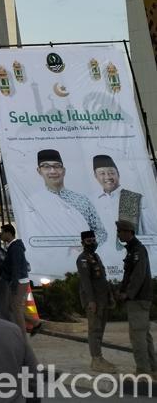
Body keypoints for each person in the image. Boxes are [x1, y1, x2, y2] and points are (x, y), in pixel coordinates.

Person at [23, 149, 105, 243]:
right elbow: (32, 235)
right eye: (46, 166)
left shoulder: (82, 200)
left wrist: (85, 245)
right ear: (39, 171)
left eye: (57, 166)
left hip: (83, 255)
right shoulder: (34, 203)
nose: (53, 171)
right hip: (50, 256)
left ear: (64, 170)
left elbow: (100, 232)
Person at [117, 219, 157, 374]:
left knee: (137, 336)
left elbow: (138, 275)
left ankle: (143, 370)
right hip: (139, 298)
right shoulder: (133, 249)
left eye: (120, 231)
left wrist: (128, 293)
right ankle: (152, 367)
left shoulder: (138, 250)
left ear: (129, 232)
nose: (118, 234)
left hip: (138, 299)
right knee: (144, 335)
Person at [77, 229, 117, 373]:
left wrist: (110, 296)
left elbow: (103, 278)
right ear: (83, 242)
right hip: (93, 301)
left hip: (103, 299)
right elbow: (86, 282)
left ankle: (99, 357)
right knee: (94, 330)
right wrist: (91, 302)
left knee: (100, 329)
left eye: (93, 240)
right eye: (89, 241)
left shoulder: (95, 256)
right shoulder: (82, 259)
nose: (92, 243)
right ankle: (96, 359)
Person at [93, 155, 156, 241]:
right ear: (96, 176)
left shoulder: (135, 198)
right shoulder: (92, 201)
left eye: (111, 172)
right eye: (102, 173)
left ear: (118, 174)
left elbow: (151, 235)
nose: (107, 177)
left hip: (132, 251)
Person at [0, 223, 42, 336]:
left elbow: (16, 267)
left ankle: (22, 334)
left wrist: (14, 283)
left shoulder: (15, 248)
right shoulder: (14, 247)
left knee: (16, 307)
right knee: (13, 306)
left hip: (19, 282)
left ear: (9, 233)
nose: (1, 235)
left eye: (3, 233)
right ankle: (35, 322)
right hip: (19, 281)